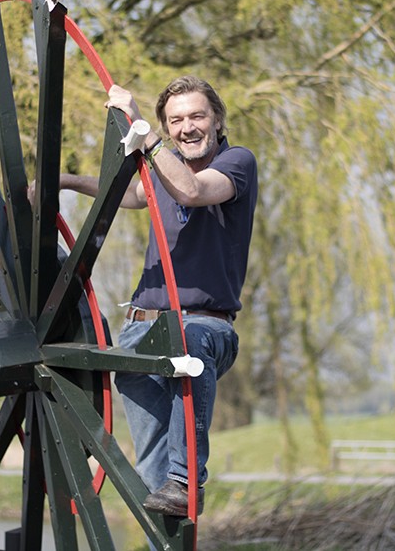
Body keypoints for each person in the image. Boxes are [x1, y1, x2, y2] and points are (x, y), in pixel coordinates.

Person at [59, 76, 257, 517]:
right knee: (154, 484)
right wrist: (66, 180)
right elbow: (133, 194)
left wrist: (145, 134)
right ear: (169, 128)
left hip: (202, 325)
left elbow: (193, 190)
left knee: (188, 345)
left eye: (197, 116)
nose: (187, 127)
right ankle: (165, 521)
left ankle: (188, 481)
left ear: (217, 120)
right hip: (140, 329)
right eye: (176, 120)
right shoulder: (163, 169)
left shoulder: (236, 162)